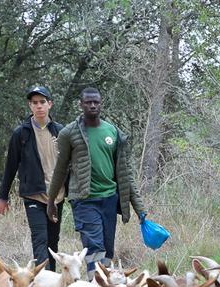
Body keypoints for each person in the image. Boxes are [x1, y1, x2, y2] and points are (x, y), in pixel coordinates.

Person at [47, 86, 147, 274]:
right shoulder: (69, 133)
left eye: (96, 102)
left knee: (107, 251)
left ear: (101, 104)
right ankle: (95, 285)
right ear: (81, 105)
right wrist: (51, 200)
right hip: (84, 200)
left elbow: (125, 175)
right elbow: (60, 169)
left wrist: (140, 209)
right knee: (94, 247)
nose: (92, 106)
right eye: (88, 102)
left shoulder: (113, 132)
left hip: (109, 198)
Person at [0, 85, 64, 271]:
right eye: (35, 103)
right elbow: (10, 166)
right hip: (34, 194)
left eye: (42, 102)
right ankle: (42, 281)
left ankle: (51, 286)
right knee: (39, 239)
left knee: (52, 241)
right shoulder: (21, 133)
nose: (39, 106)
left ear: (50, 104)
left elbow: (71, 164)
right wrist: (3, 197)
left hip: (57, 196)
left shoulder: (60, 131)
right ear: (30, 106)